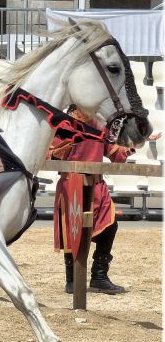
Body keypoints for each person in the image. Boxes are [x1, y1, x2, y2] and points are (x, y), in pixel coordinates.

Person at [49, 104, 159, 295]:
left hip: (97, 185)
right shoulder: (63, 124)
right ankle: (72, 279)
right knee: (71, 232)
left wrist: (136, 140)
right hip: (71, 184)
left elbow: (115, 153)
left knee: (110, 226)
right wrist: (68, 142)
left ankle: (99, 276)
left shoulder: (99, 125)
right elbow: (51, 154)